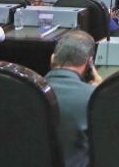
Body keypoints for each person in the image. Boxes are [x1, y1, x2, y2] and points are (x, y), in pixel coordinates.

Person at [44, 30, 101, 167]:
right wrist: (101, 92)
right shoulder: (94, 98)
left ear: (52, 59)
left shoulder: (26, 91)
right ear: (89, 63)